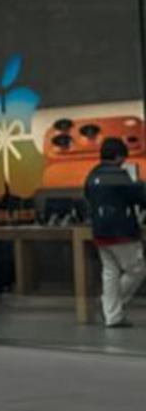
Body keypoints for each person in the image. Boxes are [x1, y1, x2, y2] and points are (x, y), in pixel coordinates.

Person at [83, 137, 146, 329]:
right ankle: (110, 306)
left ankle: (113, 315)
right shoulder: (120, 175)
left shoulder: (91, 176)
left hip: (100, 232)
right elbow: (141, 199)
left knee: (110, 272)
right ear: (119, 156)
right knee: (137, 269)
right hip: (122, 232)